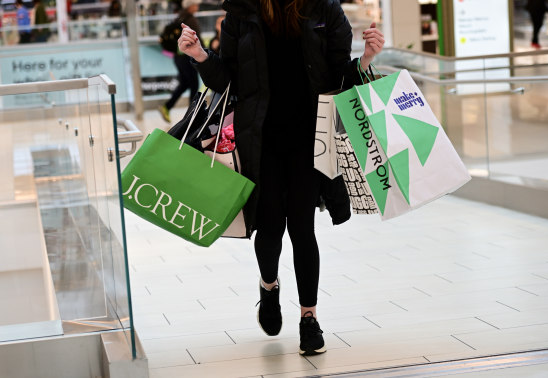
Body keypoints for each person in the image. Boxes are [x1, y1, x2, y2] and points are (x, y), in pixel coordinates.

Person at [178, 0, 384, 356]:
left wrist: (365, 60)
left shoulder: (325, 9)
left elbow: (338, 76)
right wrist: (199, 55)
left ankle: (309, 318)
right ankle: (269, 287)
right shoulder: (241, 12)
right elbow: (227, 80)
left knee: (303, 228)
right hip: (260, 140)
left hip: (310, 139)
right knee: (270, 225)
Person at [158, 0, 203, 123]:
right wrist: (206, 55)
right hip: (187, 58)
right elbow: (197, 40)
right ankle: (192, 117)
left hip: (179, 57)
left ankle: (167, 107)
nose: (197, 6)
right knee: (194, 85)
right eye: (196, 4)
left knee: (185, 83)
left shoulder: (180, 17)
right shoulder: (190, 20)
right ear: (191, 6)